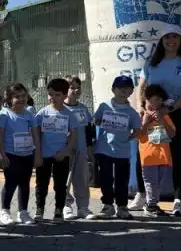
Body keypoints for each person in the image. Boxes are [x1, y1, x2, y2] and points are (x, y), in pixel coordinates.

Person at [130, 33, 181, 216]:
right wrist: (140, 107)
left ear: (180, 41)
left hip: (174, 115)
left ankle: (178, 200)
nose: (171, 42)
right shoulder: (152, 62)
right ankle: (142, 195)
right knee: (144, 154)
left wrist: (169, 108)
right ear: (161, 41)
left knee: (176, 155)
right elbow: (141, 86)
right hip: (151, 116)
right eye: (167, 38)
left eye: (175, 38)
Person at [91, 75, 142, 219]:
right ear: (113, 89)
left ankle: (122, 206)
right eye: (120, 88)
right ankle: (108, 205)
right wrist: (104, 122)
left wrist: (128, 138)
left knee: (122, 180)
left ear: (132, 91)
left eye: (127, 88)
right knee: (105, 178)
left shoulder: (132, 113)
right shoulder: (104, 106)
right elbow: (96, 120)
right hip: (104, 149)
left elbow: (137, 130)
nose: (123, 91)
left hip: (123, 151)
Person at [0, 82, 39, 226]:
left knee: (25, 183)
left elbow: (35, 136)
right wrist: (2, 156)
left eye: (23, 96)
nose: (21, 99)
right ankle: (5, 210)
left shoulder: (30, 115)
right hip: (10, 155)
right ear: (9, 99)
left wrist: (37, 154)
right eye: (17, 97)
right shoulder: (4, 115)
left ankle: (23, 212)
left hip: (27, 155)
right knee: (11, 182)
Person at [34, 78, 78, 220]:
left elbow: (74, 135)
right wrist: (37, 153)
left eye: (57, 95)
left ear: (65, 95)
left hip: (61, 156)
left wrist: (66, 151)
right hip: (44, 155)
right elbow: (36, 134)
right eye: (50, 94)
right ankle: (39, 209)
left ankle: (59, 210)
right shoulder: (42, 113)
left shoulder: (69, 114)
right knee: (41, 184)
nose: (53, 97)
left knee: (60, 185)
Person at [137, 85, 176, 218]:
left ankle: (152, 204)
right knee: (150, 182)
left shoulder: (163, 115)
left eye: (161, 100)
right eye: (157, 99)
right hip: (149, 156)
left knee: (158, 183)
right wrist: (145, 122)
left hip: (163, 156)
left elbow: (172, 134)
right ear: (147, 99)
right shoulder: (142, 115)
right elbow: (138, 135)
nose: (160, 102)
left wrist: (162, 121)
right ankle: (151, 206)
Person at [63, 75, 94, 221]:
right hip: (64, 151)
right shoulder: (60, 108)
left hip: (81, 150)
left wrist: (89, 149)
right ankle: (65, 206)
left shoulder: (83, 108)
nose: (76, 91)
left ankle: (83, 207)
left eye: (78, 88)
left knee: (82, 179)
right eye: (72, 88)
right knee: (64, 179)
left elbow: (88, 129)